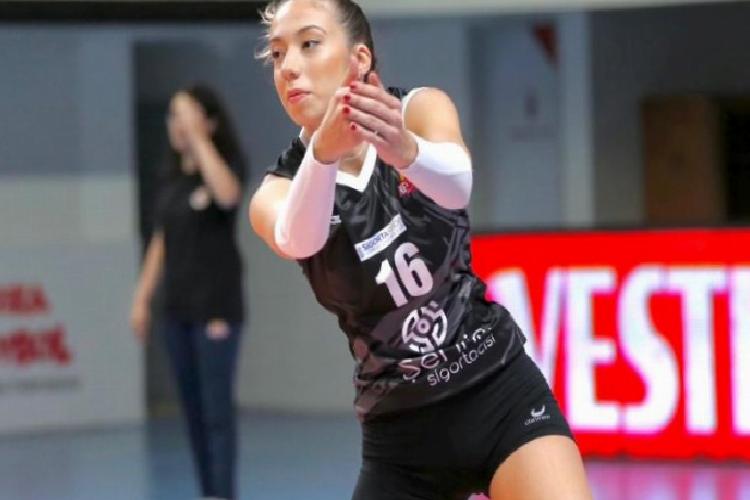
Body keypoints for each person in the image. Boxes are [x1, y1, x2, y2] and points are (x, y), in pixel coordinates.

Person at [249, 1, 593, 499]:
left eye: (309, 44)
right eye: (278, 54)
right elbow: (299, 239)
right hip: (401, 433)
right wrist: (322, 154)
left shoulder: (420, 110)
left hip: (497, 391)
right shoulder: (279, 187)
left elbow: (457, 186)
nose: (289, 67)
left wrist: (405, 150)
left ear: (359, 58)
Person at [130, 84, 246, 500]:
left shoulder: (224, 166)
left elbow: (228, 195)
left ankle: (223, 493)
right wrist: (142, 297)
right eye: (172, 115)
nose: (176, 124)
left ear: (208, 121)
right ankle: (207, 492)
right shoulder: (169, 179)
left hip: (216, 309)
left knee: (217, 413)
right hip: (176, 310)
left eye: (185, 114)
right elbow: (160, 241)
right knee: (193, 414)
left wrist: (199, 142)